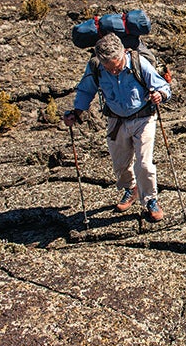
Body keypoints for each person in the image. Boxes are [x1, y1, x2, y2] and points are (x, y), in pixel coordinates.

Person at [63, 33, 172, 222]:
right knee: (120, 163)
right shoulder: (96, 67)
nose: (114, 71)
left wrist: (160, 95)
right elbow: (86, 90)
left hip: (143, 118)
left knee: (144, 163)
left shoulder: (138, 63)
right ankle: (131, 189)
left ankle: (150, 200)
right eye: (109, 68)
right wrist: (76, 112)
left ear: (123, 54)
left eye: (118, 65)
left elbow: (162, 85)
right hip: (116, 121)